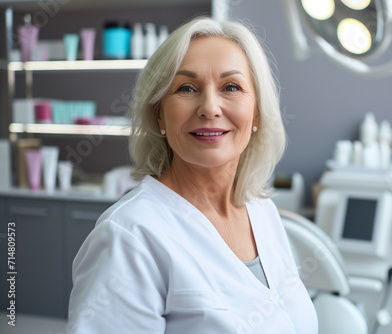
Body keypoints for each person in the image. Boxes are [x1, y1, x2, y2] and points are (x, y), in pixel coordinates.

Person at [67, 17, 318, 334]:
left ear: (256, 112)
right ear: (159, 114)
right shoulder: (129, 237)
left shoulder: (261, 210)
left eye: (231, 87)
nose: (210, 108)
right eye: (186, 88)